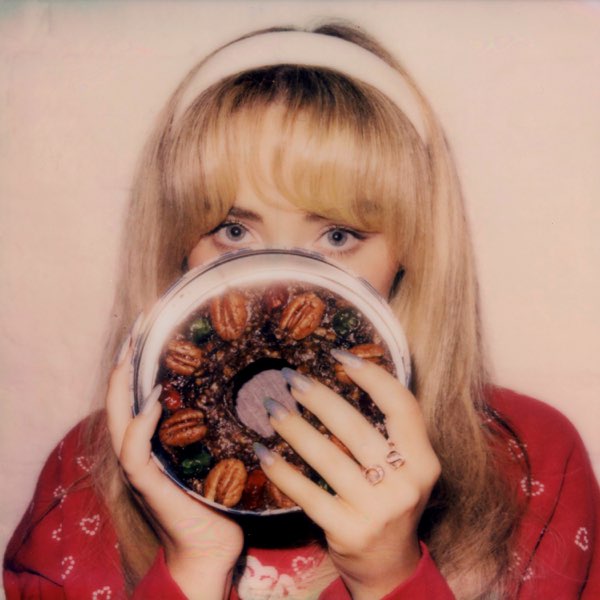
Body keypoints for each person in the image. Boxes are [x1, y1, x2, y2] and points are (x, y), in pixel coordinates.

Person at [4, 22, 599, 600]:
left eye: (337, 236)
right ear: (177, 248)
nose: (280, 288)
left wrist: (389, 579)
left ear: (411, 251)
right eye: (234, 230)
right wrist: (193, 567)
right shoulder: (81, 483)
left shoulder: (530, 465)